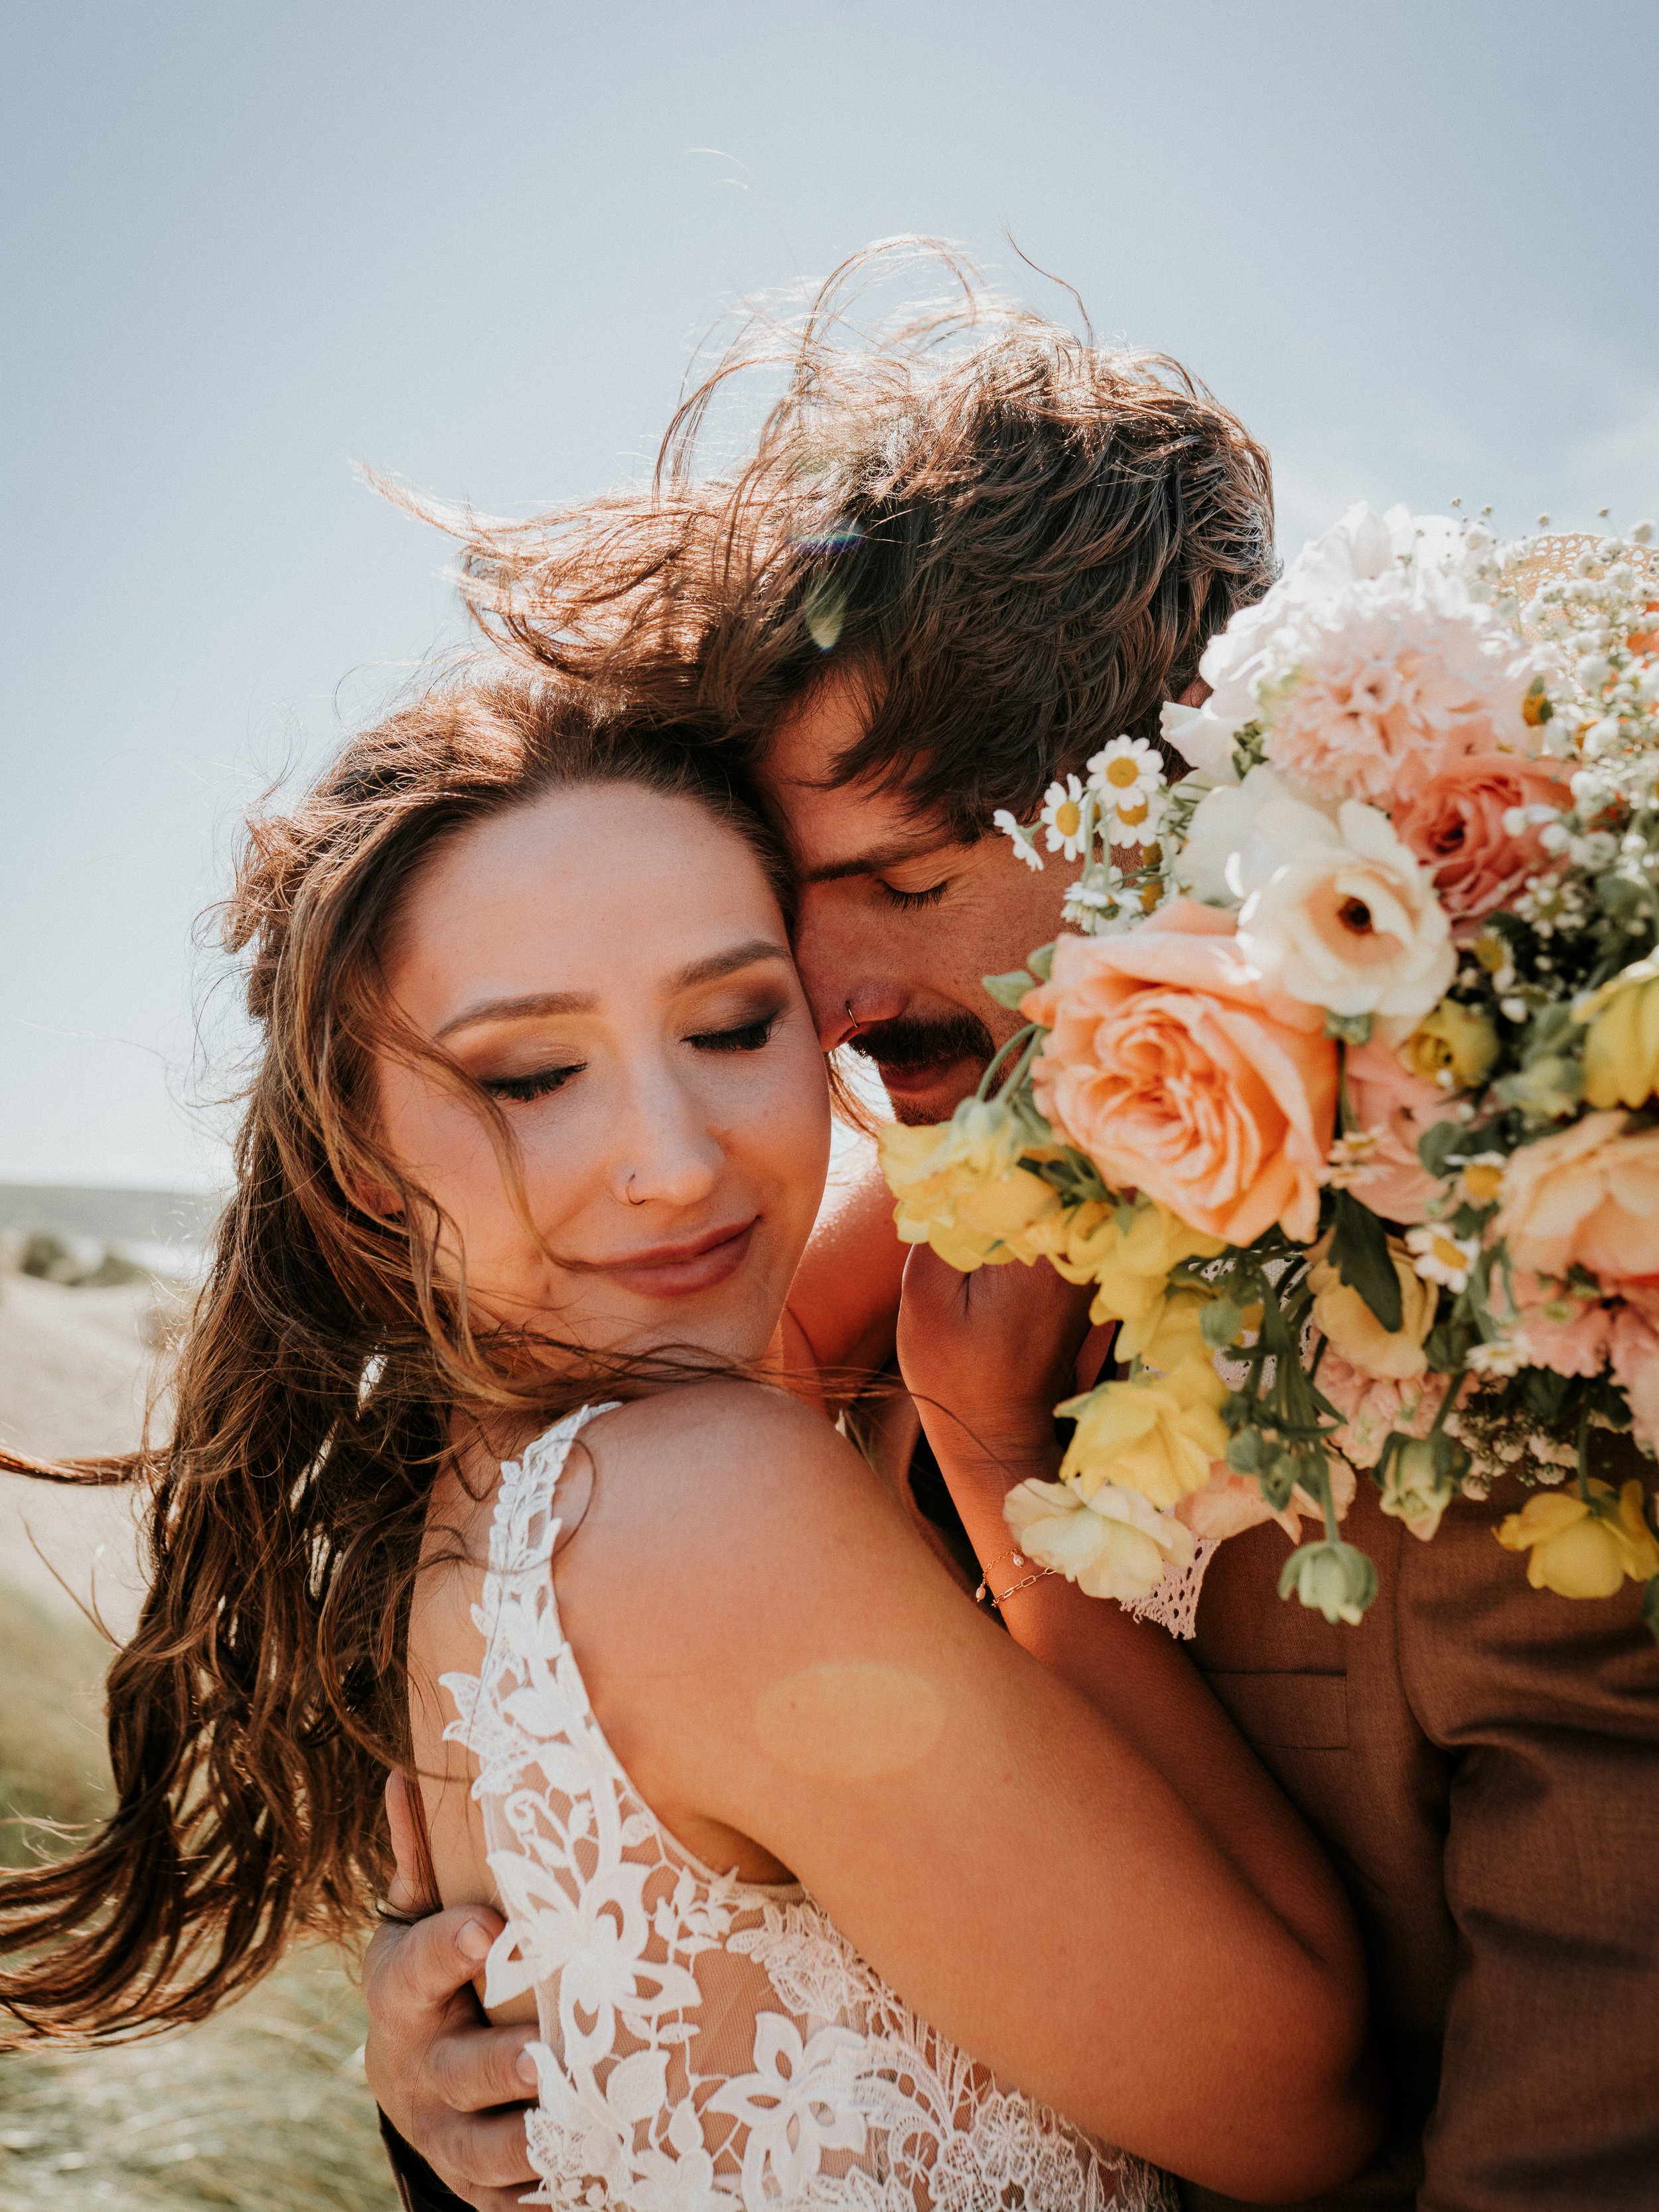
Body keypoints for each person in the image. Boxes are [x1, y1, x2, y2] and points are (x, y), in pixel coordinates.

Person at [368, 247, 1659, 2211]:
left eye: (898, 875)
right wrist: (458, 2052)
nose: (824, 983)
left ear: (1161, 815)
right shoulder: (805, 1312)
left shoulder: (1515, 1364)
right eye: (789, 906)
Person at [0, 672, 1378, 2211]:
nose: (670, 1162)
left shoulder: (495, 1496)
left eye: (732, 1026)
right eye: (531, 1075)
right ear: (361, 1151)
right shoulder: (704, 1502)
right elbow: (1318, 2106)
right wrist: (996, 1468)